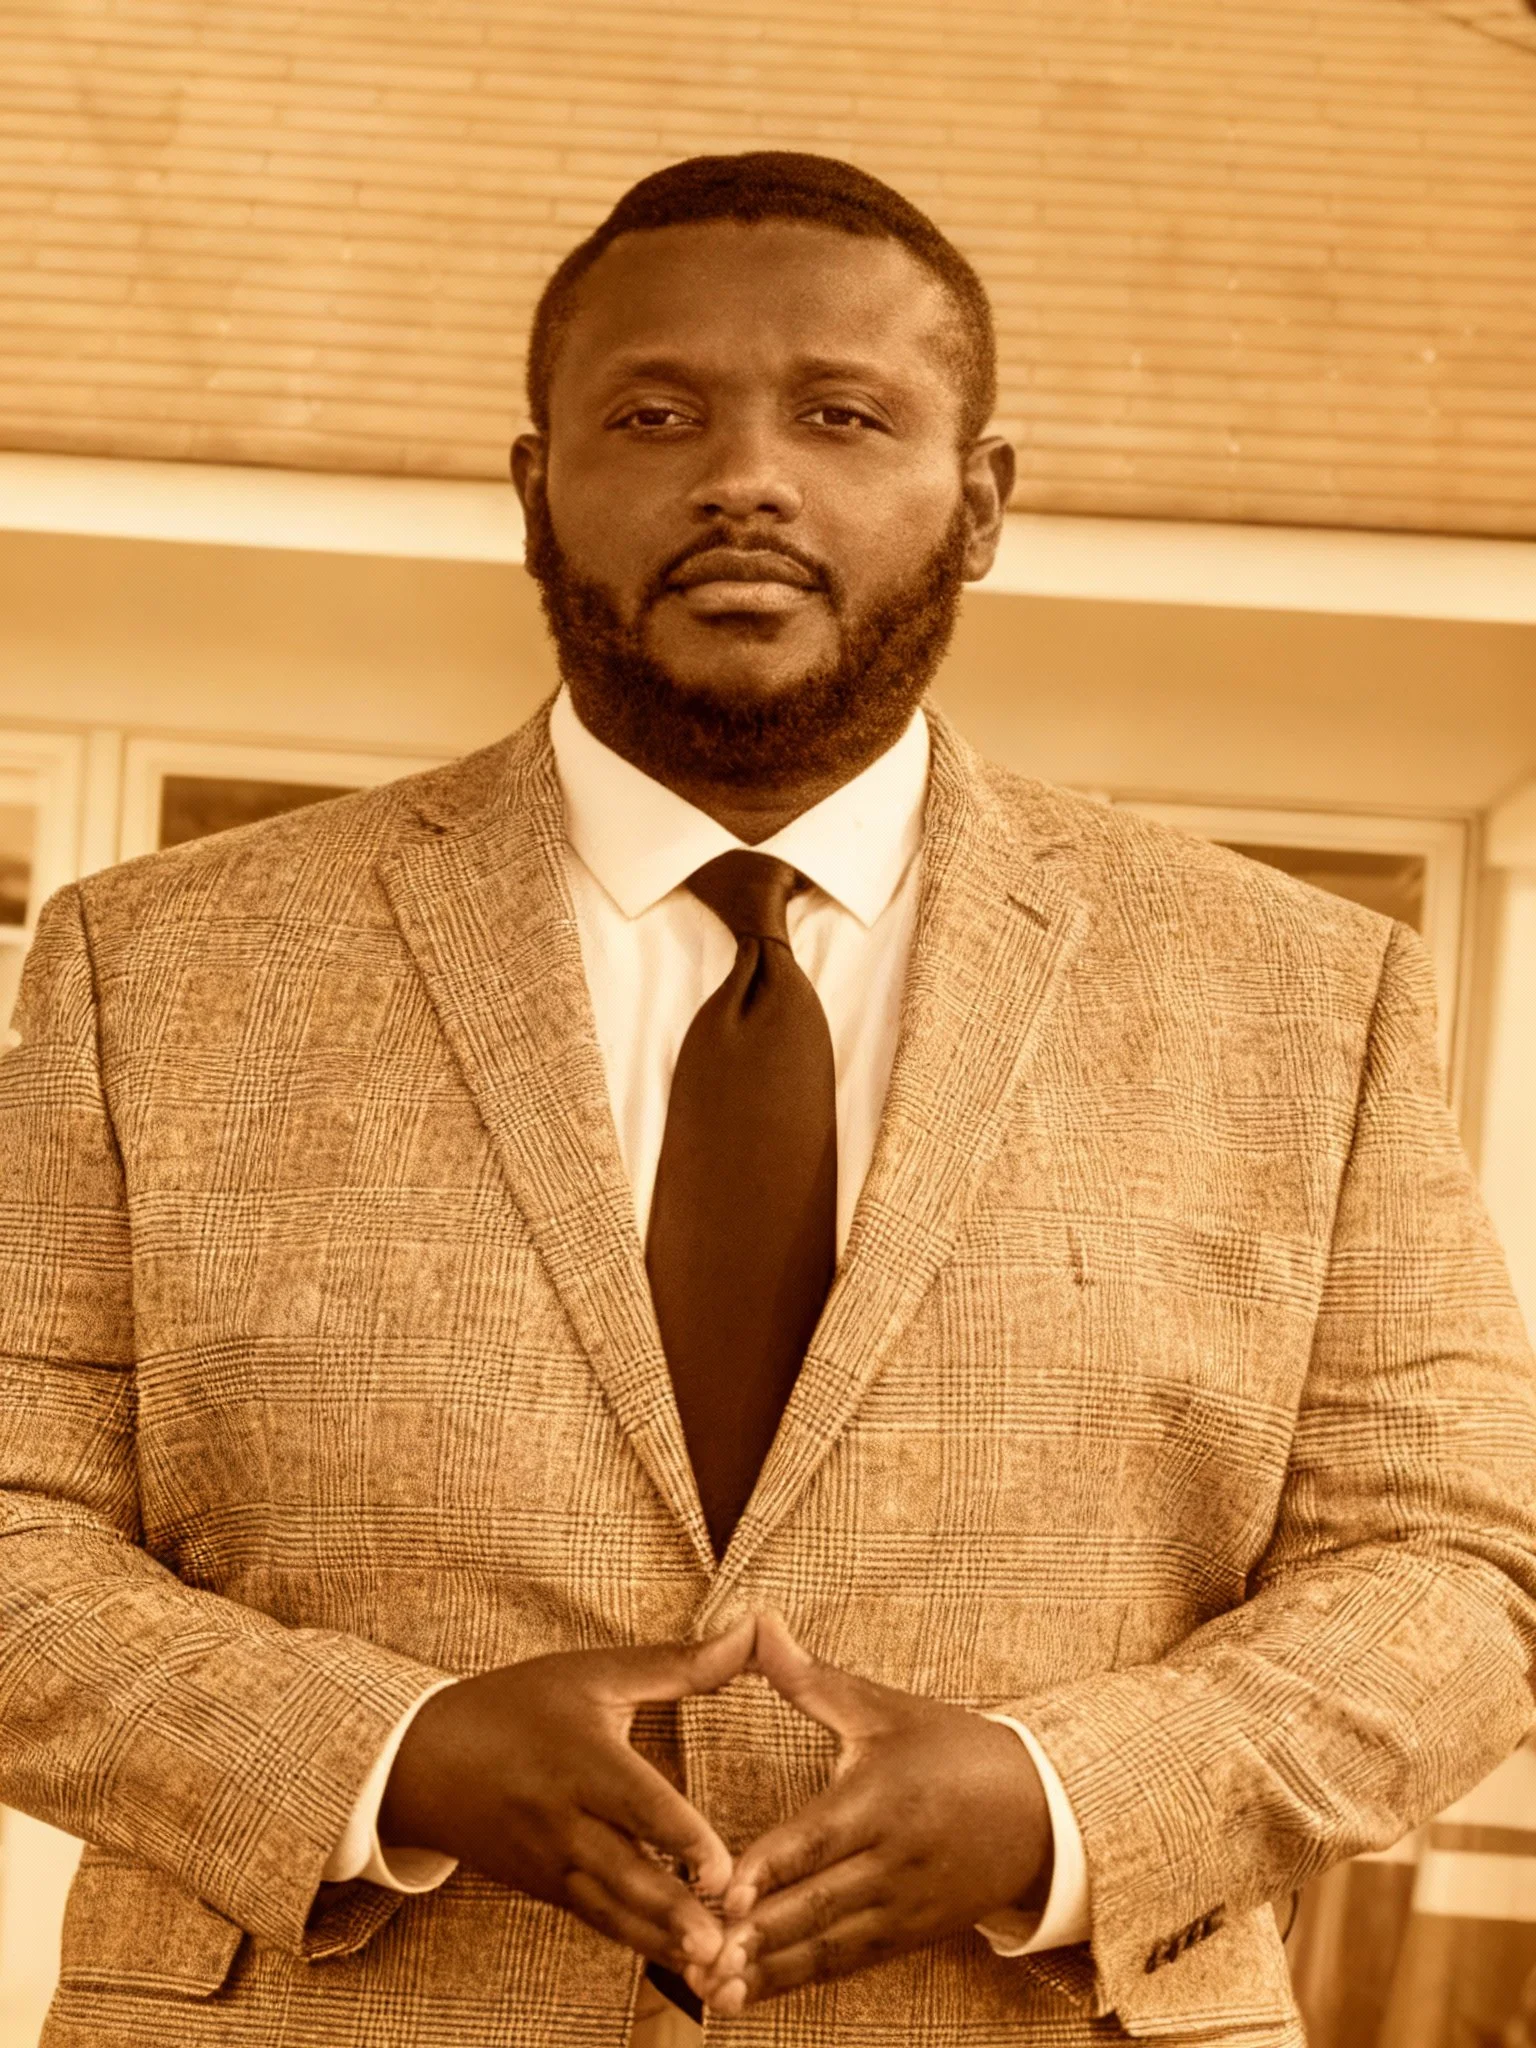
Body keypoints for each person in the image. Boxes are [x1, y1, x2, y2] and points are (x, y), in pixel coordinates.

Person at [1, 151, 1533, 2048]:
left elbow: (1455, 1568)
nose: (746, 477)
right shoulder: (159, 968)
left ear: (981, 501)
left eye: (842, 415)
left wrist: (1064, 1806)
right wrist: (392, 1753)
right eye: (655, 414)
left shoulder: (1301, 995)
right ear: (535, 488)